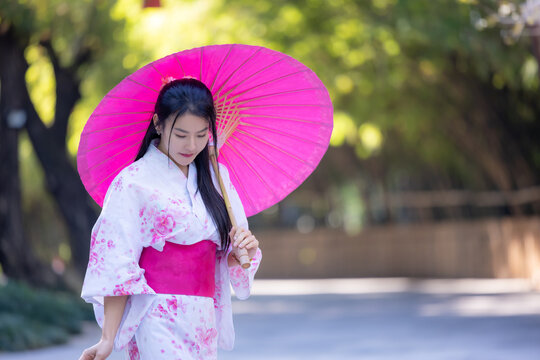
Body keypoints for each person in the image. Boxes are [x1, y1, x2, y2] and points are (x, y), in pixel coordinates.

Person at [78, 78, 262, 360]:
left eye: (201, 135)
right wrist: (107, 339)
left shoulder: (218, 179)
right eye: (181, 134)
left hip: (203, 317)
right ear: (158, 124)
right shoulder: (133, 183)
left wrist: (240, 251)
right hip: (156, 314)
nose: (191, 145)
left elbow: (225, 253)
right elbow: (117, 260)